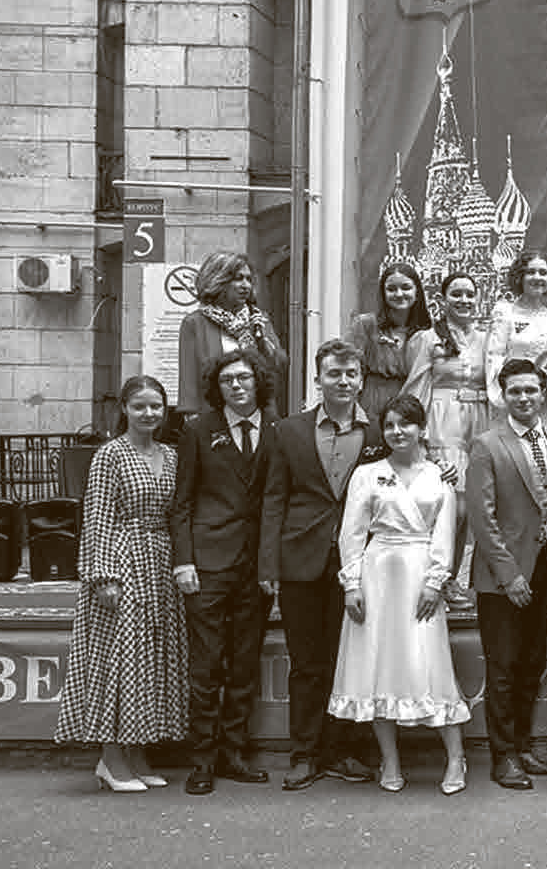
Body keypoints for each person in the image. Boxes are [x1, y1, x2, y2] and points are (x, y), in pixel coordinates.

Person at [257, 338, 386, 790]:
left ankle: (344, 750)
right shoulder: (287, 431)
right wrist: (268, 565)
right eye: (334, 373)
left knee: (351, 660)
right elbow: (274, 499)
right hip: (301, 559)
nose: (343, 381)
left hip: (361, 564)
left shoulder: (379, 433)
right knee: (307, 663)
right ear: (318, 379)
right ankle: (305, 753)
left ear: (361, 380)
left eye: (351, 374)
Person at [328, 395, 471, 795]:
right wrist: (351, 584)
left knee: (430, 663)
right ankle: (389, 759)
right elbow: (352, 533)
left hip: (420, 573)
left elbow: (445, 531)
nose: (397, 432)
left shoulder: (439, 476)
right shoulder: (367, 474)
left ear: (422, 429)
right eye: (389, 425)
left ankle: (456, 757)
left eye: (405, 424)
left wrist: (436, 581)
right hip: (377, 575)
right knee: (378, 666)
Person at [55, 375, 189, 792]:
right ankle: (111, 759)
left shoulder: (171, 455)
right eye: (140, 406)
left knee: (148, 660)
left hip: (160, 563)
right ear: (125, 410)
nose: (149, 413)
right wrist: (103, 575)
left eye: (156, 406)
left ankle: (136, 752)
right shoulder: (110, 455)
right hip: (122, 560)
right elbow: (96, 517)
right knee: (118, 660)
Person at [467, 357, 547, 790]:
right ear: (503, 395)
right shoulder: (486, 445)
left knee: (532, 661)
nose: (524, 397)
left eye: (531, 389)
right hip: (503, 577)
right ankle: (504, 756)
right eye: (515, 390)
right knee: (503, 665)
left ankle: (524, 745)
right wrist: (508, 575)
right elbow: (482, 518)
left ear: (543, 393)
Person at [169, 350, 274, 794]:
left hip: (257, 567)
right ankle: (202, 760)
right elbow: (182, 502)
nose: (236, 385)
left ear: (258, 382)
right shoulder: (198, 430)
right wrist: (183, 560)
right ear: (218, 387)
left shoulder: (277, 429)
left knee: (245, 664)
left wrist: (272, 563)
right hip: (207, 564)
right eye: (227, 379)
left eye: (244, 377)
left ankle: (234, 753)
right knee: (207, 664)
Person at [176, 252, 288, 421]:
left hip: (258, 415)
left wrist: (262, 341)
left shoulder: (258, 319)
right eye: (238, 279)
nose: (246, 285)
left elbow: (279, 365)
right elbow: (188, 380)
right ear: (218, 281)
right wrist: (192, 418)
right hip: (213, 416)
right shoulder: (195, 323)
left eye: (249, 279)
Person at [404, 271, 491, 481]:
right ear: (442, 300)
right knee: (448, 478)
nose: (464, 300)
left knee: (479, 479)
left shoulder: (487, 339)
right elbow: (416, 389)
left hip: (481, 417)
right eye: (456, 294)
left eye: (470, 295)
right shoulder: (427, 338)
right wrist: (416, 429)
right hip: (443, 417)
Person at [486, 251, 547, 431]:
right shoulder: (504, 315)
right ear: (519, 277)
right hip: (515, 403)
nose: (537, 277)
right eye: (531, 272)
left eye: (543, 273)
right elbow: (494, 362)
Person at [348, 262, 433, 417]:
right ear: (383, 293)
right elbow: (349, 369)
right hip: (372, 408)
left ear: (417, 292)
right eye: (391, 289)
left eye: (406, 287)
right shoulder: (365, 325)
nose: (399, 294)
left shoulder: (428, 332)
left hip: (412, 410)